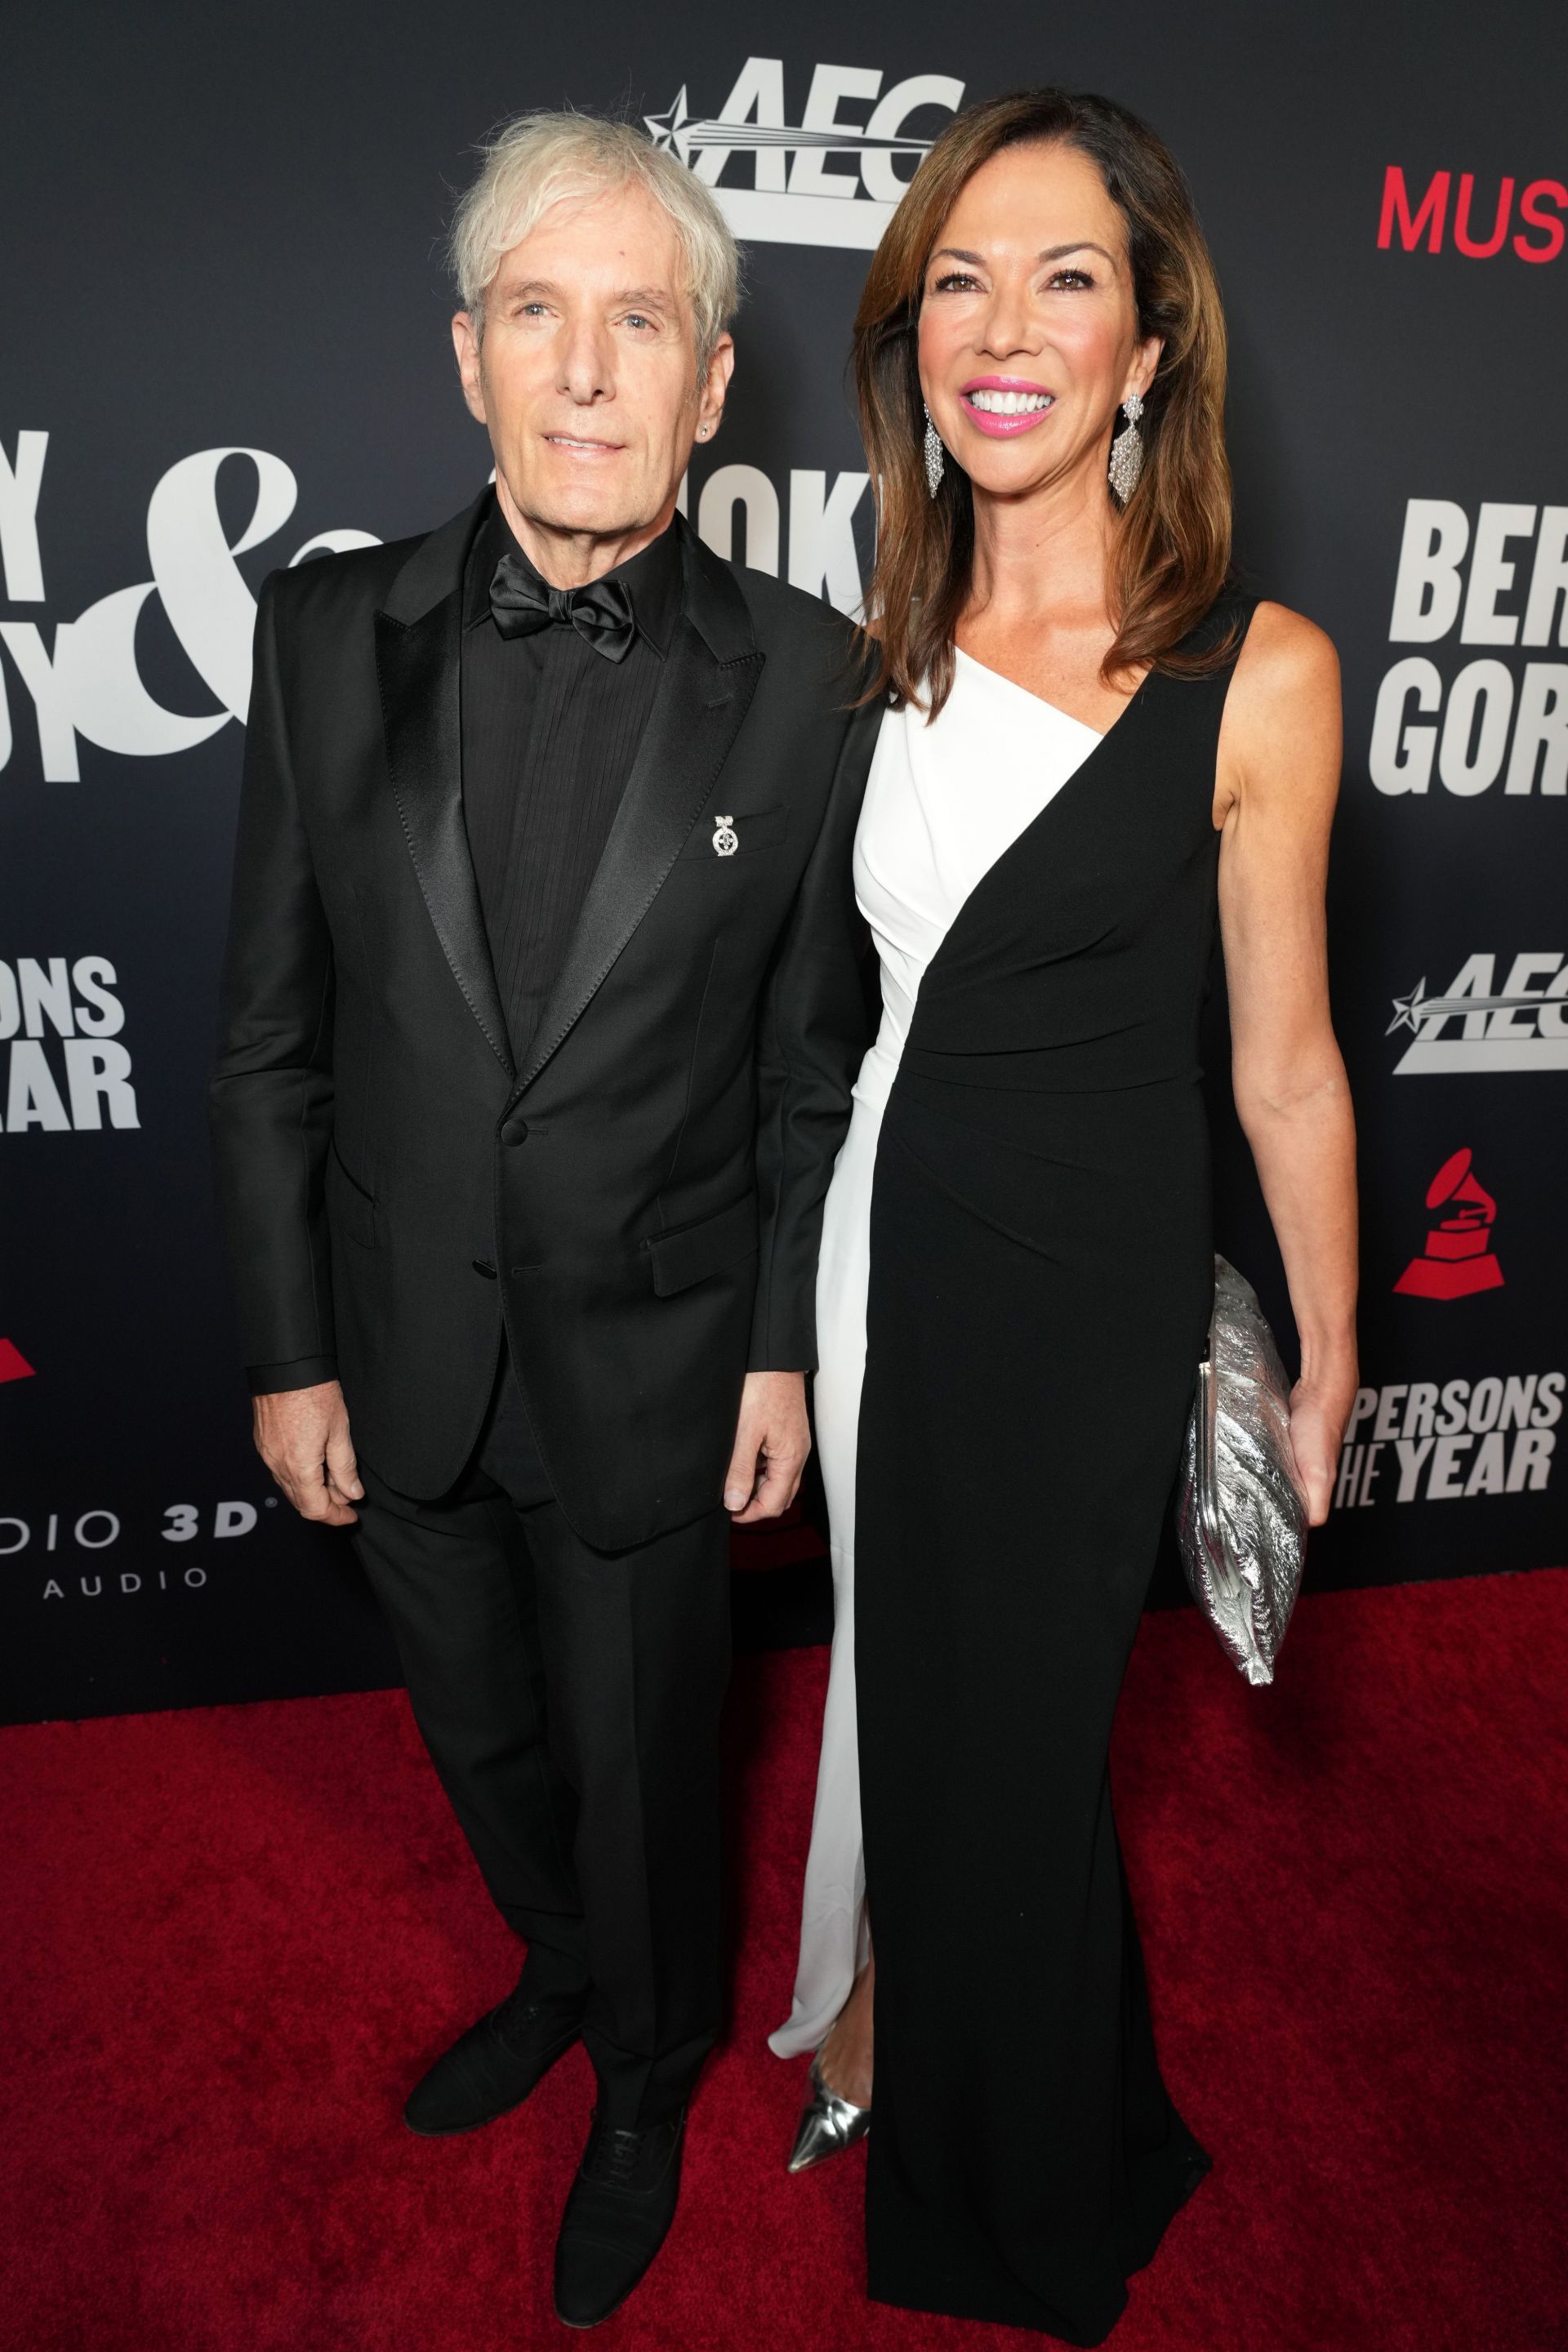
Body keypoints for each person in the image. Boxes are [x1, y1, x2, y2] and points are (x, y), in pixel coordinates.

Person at [209, 112, 877, 2331]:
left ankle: (645, 2067)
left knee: (646, 1761)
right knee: (483, 1737)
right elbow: (269, 1036)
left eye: (642, 324)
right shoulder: (316, 632)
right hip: (396, 1344)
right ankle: (561, 1964)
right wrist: (294, 1345)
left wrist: (776, 1340)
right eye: (537, 317)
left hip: (660, 1362)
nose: (587, 374)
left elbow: (808, 1065)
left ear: (706, 385)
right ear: (469, 362)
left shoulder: (808, 678)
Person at [770, 88, 1358, 2343]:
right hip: (885, 1246)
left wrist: (1329, 1349)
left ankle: (994, 2174)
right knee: (912, 1693)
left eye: (1069, 277)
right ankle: (882, 2020)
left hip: (1088, 1281)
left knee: (1016, 1728)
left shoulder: (1262, 668)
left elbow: (1284, 1062)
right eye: (959, 280)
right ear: (912, 333)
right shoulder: (873, 635)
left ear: (1151, 346)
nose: (1003, 326)